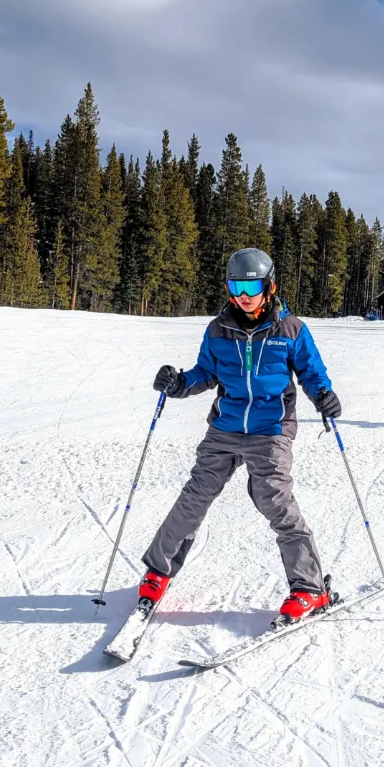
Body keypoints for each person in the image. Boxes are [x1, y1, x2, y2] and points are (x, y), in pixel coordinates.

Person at [139, 248, 343, 624]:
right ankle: (157, 572)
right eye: (236, 285)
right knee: (194, 498)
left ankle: (310, 589)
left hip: (271, 429)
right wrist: (179, 383)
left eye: (250, 285)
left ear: (269, 286)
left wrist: (324, 396)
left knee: (276, 502)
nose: (243, 295)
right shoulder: (218, 330)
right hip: (226, 427)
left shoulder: (290, 329)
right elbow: (204, 373)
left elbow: (312, 373)